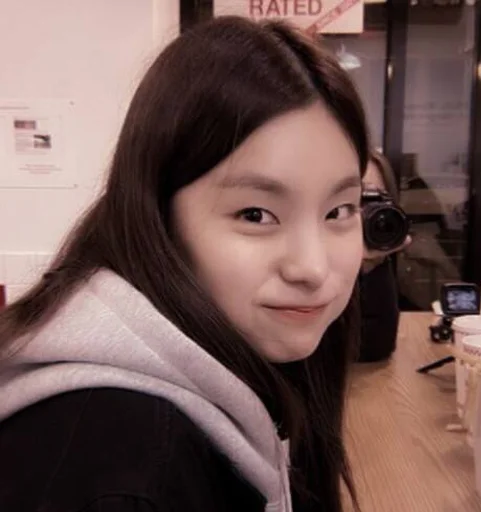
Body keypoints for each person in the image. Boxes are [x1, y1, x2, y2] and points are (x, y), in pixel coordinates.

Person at [0, 16, 369, 512]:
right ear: (159, 218)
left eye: (339, 211)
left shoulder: (251, 352)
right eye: (255, 214)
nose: (312, 267)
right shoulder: (127, 462)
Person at [358, 151, 410, 362]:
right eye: (359, 197)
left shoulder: (378, 253)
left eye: (376, 196)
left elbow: (376, 347)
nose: (366, 208)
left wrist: (369, 265)